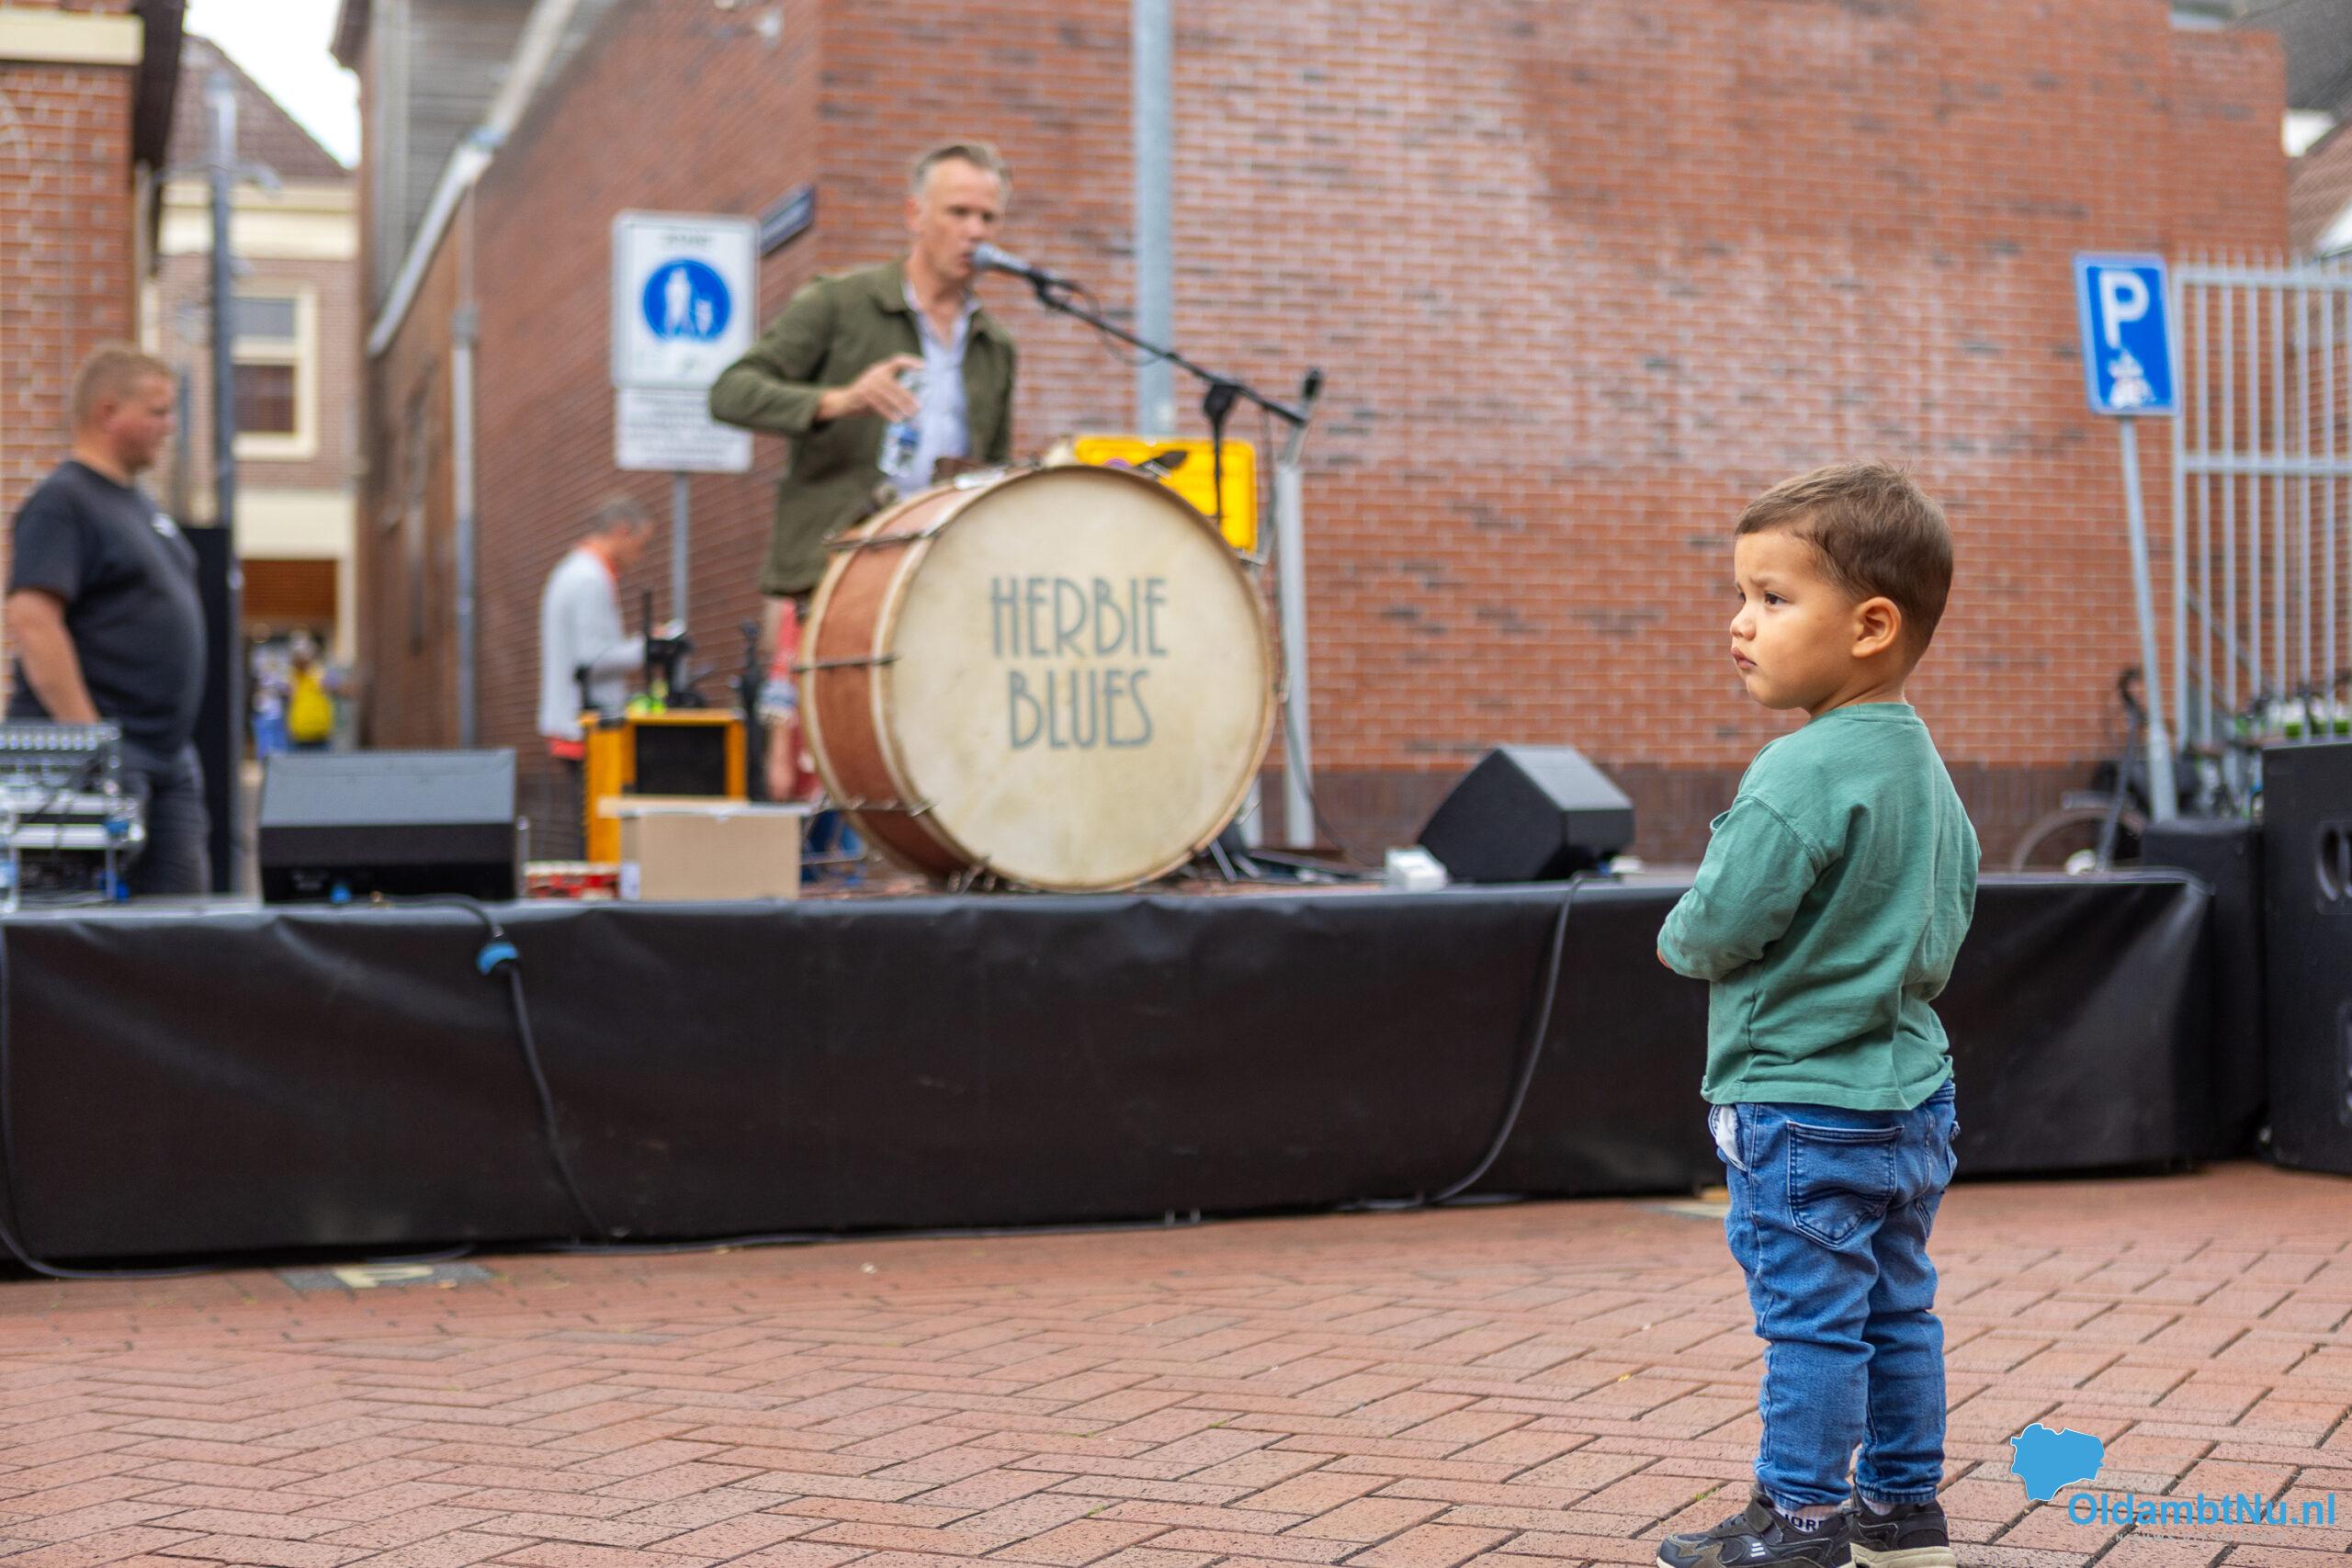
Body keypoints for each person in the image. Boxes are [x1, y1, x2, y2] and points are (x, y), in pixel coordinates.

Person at [1653, 462, 1977, 1568]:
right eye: (1739, 595)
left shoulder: (1796, 771)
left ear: (1871, 626)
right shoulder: (1924, 767)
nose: (1739, 623)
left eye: (1772, 597)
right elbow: (1948, 913)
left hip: (1797, 1101)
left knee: (1811, 1323)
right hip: (1912, 1096)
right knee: (1897, 1311)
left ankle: (1797, 1521)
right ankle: (1900, 1514)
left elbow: (1715, 924)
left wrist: (1678, 936)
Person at [709, 140, 1019, 802]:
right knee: (831, 766)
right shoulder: (841, 303)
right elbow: (730, 392)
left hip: (940, 578)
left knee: (929, 759)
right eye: (959, 212)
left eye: (988, 218)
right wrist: (838, 400)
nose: (975, 232)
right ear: (914, 214)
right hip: (839, 572)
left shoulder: (995, 345)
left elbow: (990, 468)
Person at [6, 344, 211, 896]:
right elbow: (33, 621)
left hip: (167, 758)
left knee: (182, 930)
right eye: (158, 411)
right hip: (102, 756)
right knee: (83, 932)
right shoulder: (63, 503)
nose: (170, 426)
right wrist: (91, 744)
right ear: (108, 412)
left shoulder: (143, 507)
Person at [537, 498, 662, 857]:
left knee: (588, 826)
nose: (639, 555)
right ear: (621, 531)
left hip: (574, 720)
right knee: (597, 832)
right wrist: (651, 646)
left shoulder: (572, 571)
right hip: (587, 725)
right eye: (640, 543)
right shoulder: (590, 579)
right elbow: (594, 657)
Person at [284, 631, 337, 750]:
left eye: (305, 651)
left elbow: (336, 687)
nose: (302, 657)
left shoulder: (321, 673)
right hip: (298, 735)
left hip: (321, 735)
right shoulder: (293, 676)